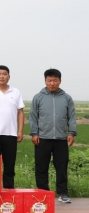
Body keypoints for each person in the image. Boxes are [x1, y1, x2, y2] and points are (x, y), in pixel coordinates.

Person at [30, 69, 77, 203]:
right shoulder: (38, 97)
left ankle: (62, 193)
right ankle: (43, 192)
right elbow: (33, 117)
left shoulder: (66, 98)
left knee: (62, 166)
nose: (52, 83)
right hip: (42, 138)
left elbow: (71, 117)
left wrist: (71, 132)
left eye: (55, 80)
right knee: (41, 166)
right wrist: (34, 133)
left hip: (61, 139)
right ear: (45, 81)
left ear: (60, 81)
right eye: (49, 80)